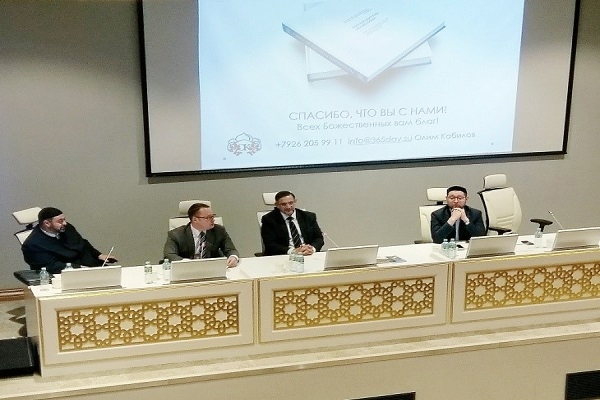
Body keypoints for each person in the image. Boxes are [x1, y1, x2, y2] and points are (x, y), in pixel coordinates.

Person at [21, 207, 117, 274]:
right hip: (65, 273)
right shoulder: (32, 244)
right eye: (60, 221)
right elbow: (52, 266)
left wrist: (99, 255)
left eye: (64, 220)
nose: (65, 223)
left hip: (88, 265)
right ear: (47, 223)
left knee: (114, 275)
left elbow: (82, 243)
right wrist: (80, 268)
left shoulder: (67, 228)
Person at [163, 203, 239, 267]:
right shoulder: (176, 234)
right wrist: (188, 263)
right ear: (195, 219)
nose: (213, 220)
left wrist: (233, 257)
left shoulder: (219, 230)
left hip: (212, 269)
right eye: (208, 218)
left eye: (212, 216)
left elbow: (231, 250)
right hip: (187, 271)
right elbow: (169, 255)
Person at [260, 190, 324, 256]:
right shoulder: (269, 219)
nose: (288, 207)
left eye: (291, 203)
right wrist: (293, 251)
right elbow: (270, 244)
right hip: (284, 255)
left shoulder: (308, 216)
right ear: (277, 205)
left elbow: (318, 238)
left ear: (295, 201)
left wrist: (312, 249)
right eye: (283, 204)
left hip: (307, 254)